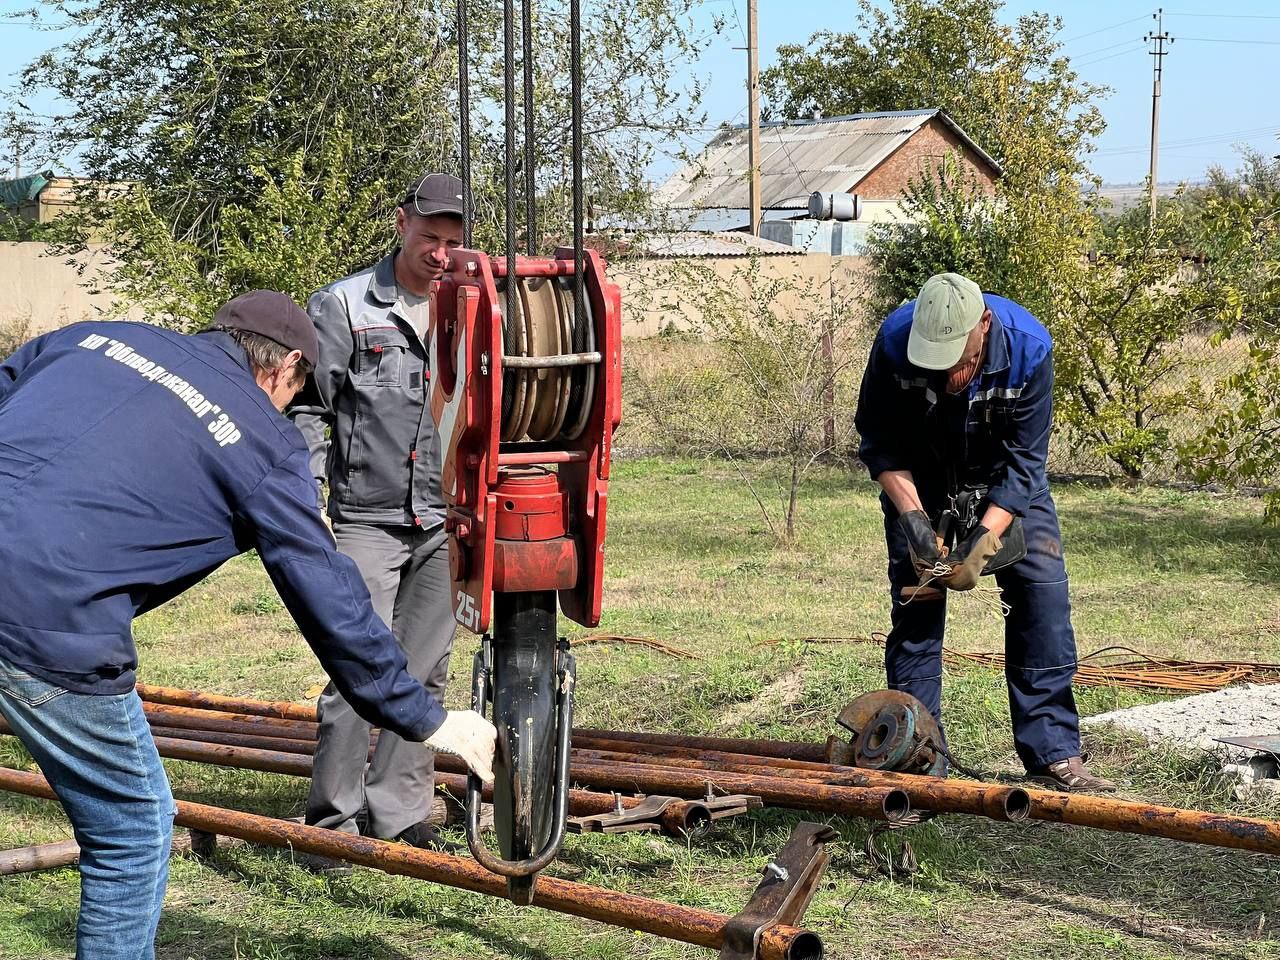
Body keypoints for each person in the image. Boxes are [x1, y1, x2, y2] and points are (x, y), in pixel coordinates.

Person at [0, 291, 497, 960]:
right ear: (286, 366)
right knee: (134, 829)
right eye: (298, 390)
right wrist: (428, 719)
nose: (292, 405)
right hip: (47, 620)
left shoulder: (96, 337)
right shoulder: (263, 443)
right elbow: (328, 594)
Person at [854, 272, 1115, 793]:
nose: (949, 375)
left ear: (985, 326)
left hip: (1008, 482)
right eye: (936, 362)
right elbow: (880, 443)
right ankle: (918, 752)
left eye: (961, 361)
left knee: (1042, 603)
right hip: (921, 480)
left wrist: (984, 540)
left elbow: (1024, 467)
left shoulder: (1031, 348)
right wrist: (914, 520)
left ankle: (1053, 753)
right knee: (917, 607)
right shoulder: (892, 344)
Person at [291, 173, 466, 851]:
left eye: (453, 241)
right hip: (366, 519)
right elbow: (309, 410)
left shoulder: (474, 307)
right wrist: (305, 509)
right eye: (430, 237)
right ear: (401, 225)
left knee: (422, 674)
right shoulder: (345, 306)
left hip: (443, 519)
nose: (440, 253)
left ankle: (400, 818)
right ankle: (332, 827)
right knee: (354, 669)